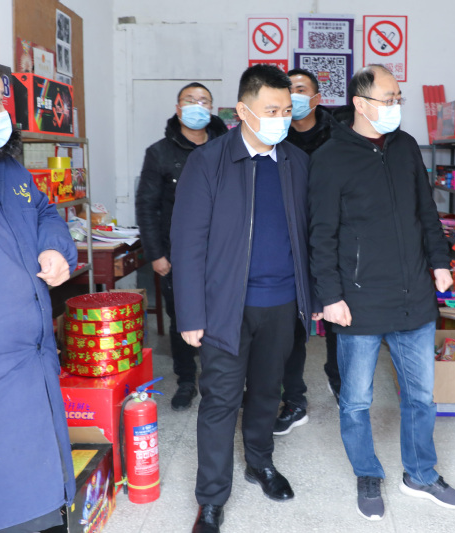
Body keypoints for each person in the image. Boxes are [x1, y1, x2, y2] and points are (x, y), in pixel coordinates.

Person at [308, 65, 455, 521]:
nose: (397, 106)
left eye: (399, 98)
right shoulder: (330, 157)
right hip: (358, 300)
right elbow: (321, 235)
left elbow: (426, 212)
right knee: (357, 400)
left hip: (414, 294)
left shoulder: (405, 147)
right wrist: (330, 296)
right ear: (360, 104)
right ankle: (367, 472)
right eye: (389, 98)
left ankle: (420, 474)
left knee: (420, 397)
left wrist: (440, 262)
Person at [171, 64, 320, 533]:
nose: (281, 118)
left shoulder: (296, 162)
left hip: (281, 303)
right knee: (220, 400)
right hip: (224, 307)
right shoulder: (209, 162)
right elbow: (188, 243)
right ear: (242, 110)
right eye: (271, 110)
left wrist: (311, 297)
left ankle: (260, 463)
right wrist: (190, 314)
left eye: (286, 110)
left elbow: (309, 236)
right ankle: (212, 498)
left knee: (267, 392)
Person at [0, 53, 78, 533]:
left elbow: (43, 211)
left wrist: (55, 248)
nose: (5, 114)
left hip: (34, 363)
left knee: (47, 496)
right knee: (7, 504)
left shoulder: (7, 166)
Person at [135, 82, 228, 411]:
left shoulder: (227, 148)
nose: (197, 106)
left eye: (204, 101)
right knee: (182, 317)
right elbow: (147, 206)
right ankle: (186, 379)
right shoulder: (159, 152)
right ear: (178, 109)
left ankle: (220, 380)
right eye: (190, 100)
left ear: (212, 109)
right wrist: (156, 254)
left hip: (222, 251)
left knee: (223, 316)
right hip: (177, 254)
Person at [273, 68, 339, 436]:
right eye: (289, 91)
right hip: (290, 244)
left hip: (333, 242)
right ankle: (294, 401)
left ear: (316, 98)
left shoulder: (338, 135)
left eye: (301, 90)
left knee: (338, 320)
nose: (294, 97)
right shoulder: (275, 137)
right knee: (292, 328)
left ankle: (338, 378)